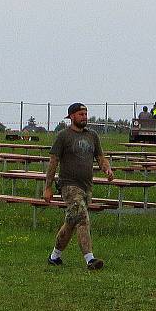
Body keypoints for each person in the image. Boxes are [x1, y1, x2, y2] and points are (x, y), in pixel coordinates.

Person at [43, 103, 114, 270]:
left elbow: (100, 157)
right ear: (72, 117)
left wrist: (107, 168)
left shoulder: (93, 136)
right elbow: (53, 162)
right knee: (82, 218)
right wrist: (48, 187)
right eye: (81, 114)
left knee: (71, 222)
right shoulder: (63, 136)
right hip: (69, 186)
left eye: (86, 114)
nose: (84, 117)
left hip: (86, 187)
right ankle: (90, 259)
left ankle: (55, 257)